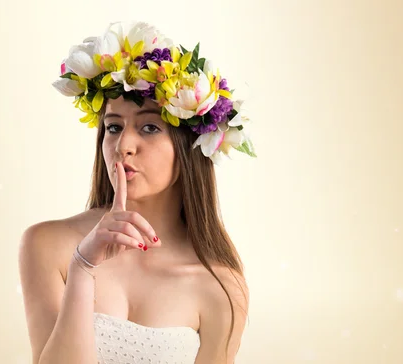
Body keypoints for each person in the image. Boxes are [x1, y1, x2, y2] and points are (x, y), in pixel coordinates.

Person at [18, 21, 257, 364]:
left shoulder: (220, 285)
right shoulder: (46, 244)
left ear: (189, 145)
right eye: (113, 127)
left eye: (149, 127)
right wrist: (83, 266)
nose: (123, 145)